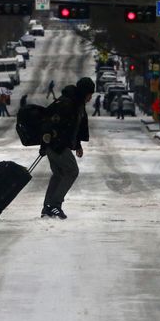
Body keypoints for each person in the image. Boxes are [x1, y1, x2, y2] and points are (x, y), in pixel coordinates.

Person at [40, 77, 95, 220]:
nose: (90, 98)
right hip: (56, 145)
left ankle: (48, 207)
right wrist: (45, 144)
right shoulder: (67, 103)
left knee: (58, 174)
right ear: (84, 92)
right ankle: (55, 205)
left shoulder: (76, 103)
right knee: (72, 171)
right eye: (89, 94)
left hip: (56, 144)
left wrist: (78, 145)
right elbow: (50, 123)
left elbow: (74, 127)